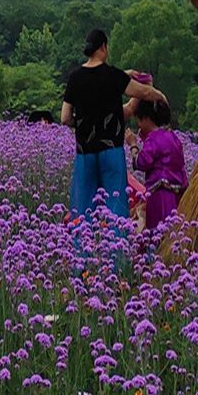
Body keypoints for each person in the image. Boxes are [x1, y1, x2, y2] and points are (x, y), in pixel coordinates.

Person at [61, 29, 166, 267]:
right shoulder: (112, 76)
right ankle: (117, 267)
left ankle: (82, 268)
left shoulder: (75, 77)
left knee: (83, 209)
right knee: (116, 207)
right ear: (104, 48)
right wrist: (159, 95)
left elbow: (65, 118)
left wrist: (85, 123)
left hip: (85, 153)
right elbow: (143, 93)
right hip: (111, 152)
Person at [130, 98, 187, 262]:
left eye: (139, 120)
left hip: (158, 196)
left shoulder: (153, 139)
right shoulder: (172, 137)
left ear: (146, 118)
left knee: (156, 234)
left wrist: (133, 145)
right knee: (173, 233)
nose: (139, 125)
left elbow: (141, 163)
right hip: (176, 195)